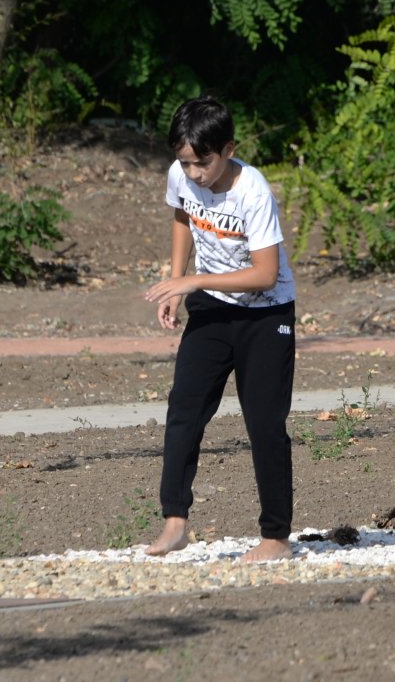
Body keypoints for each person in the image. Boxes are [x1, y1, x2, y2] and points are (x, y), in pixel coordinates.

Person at [141, 96, 297, 561]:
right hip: (211, 308)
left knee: (265, 424)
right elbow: (183, 216)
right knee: (184, 409)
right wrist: (176, 282)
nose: (193, 174)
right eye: (185, 162)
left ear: (228, 149)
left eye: (202, 163)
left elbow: (265, 273)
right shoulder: (181, 174)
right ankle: (175, 522)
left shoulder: (253, 191)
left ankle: (275, 537)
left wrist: (194, 279)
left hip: (265, 314)